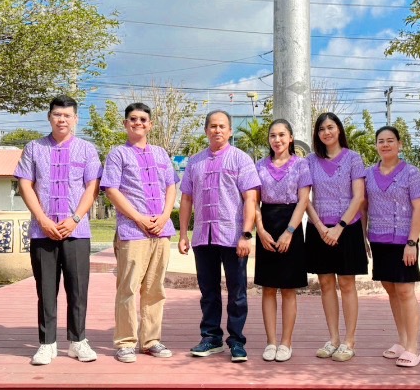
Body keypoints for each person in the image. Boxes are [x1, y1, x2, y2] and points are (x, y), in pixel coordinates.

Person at [15, 95, 102, 365]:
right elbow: (25, 184)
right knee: (46, 290)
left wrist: (75, 218)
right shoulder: (33, 148)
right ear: (49, 117)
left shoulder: (87, 150)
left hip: (77, 230)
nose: (61, 119)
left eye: (67, 115)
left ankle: (78, 341)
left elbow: (93, 187)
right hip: (43, 231)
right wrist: (42, 219)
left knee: (78, 289)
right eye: (57, 115)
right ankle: (47, 344)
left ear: (75, 119)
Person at [178, 110, 261, 363]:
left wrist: (246, 234)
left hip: (233, 236)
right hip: (203, 236)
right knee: (208, 291)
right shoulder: (195, 162)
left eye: (222, 126)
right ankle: (211, 338)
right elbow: (186, 199)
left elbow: (251, 198)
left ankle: (236, 341)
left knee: (237, 291)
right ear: (206, 130)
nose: (217, 130)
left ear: (230, 130)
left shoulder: (241, 159)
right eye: (213, 126)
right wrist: (183, 234)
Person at [101, 103, 179, 363]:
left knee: (155, 288)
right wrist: (139, 218)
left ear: (150, 124)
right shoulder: (118, 154)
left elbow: (171, 186)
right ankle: (125, 342)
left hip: (161, 230)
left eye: (143, 119)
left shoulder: (161, 153)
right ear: (125, 124)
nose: (138, 123)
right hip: (132, 231)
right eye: (133, 119)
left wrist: (165, 216)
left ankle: (151, 340)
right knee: (129, 288)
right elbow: (111, 189)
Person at [364, 125, 420, 368]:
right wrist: (363, 237)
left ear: (400, 144)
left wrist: (412, 242)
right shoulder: (368, 174)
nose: (385, 145)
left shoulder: (411, 173)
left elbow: (419, 207)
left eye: (390, 140)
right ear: (376, 145)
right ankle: (402, 341)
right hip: (379, 240)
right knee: (390, 289)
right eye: (381, 141)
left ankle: (413, 347)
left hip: (403, 240)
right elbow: (364, 206)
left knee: (405, 291)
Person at [305, 112, 367, 362]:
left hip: (347, 228)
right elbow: (304, 198)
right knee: (326, 284)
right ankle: (333, 339)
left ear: (339, 129)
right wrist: (321, 227)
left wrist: (339, 227)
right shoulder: (310, 160)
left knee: (347, 283)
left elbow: (359, 197)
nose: (326, 132)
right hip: (319, 229)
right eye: (321, 129)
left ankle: (349, 341)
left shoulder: (353, 158)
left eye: (330, 127)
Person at [254, 119, 311, 362]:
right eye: (273, 135)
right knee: (268, 288)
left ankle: (286, 342)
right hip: (266, 225)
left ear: (290, 138)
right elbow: (253, 202)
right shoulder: (259, 165)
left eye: (281, 135)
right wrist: (260, 230)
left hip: (292, 225)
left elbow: (303, 200)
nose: (277, 140)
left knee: (288, 289)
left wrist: (289, 231)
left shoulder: (301, 165)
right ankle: (271, 342)